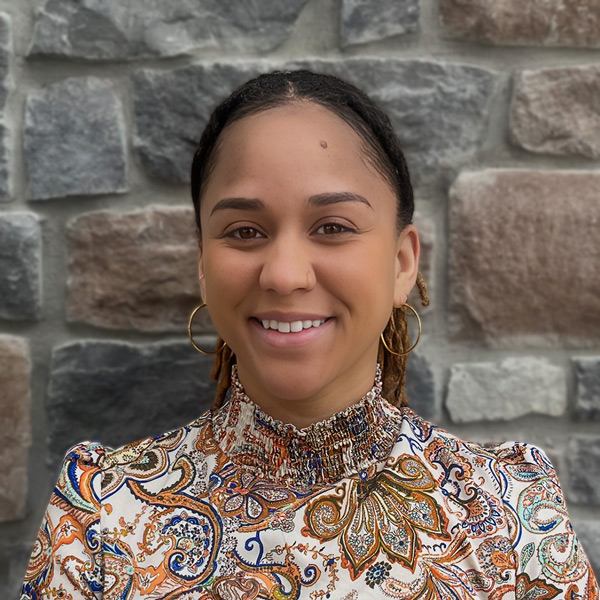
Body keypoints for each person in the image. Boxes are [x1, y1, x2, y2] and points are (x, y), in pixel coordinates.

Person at [21, 70, 598, 599]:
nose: (285, 274)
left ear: (401, 263)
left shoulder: (511, 516)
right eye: (245, 231)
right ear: (203, 264)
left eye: (332, 227)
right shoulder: (103, 520)